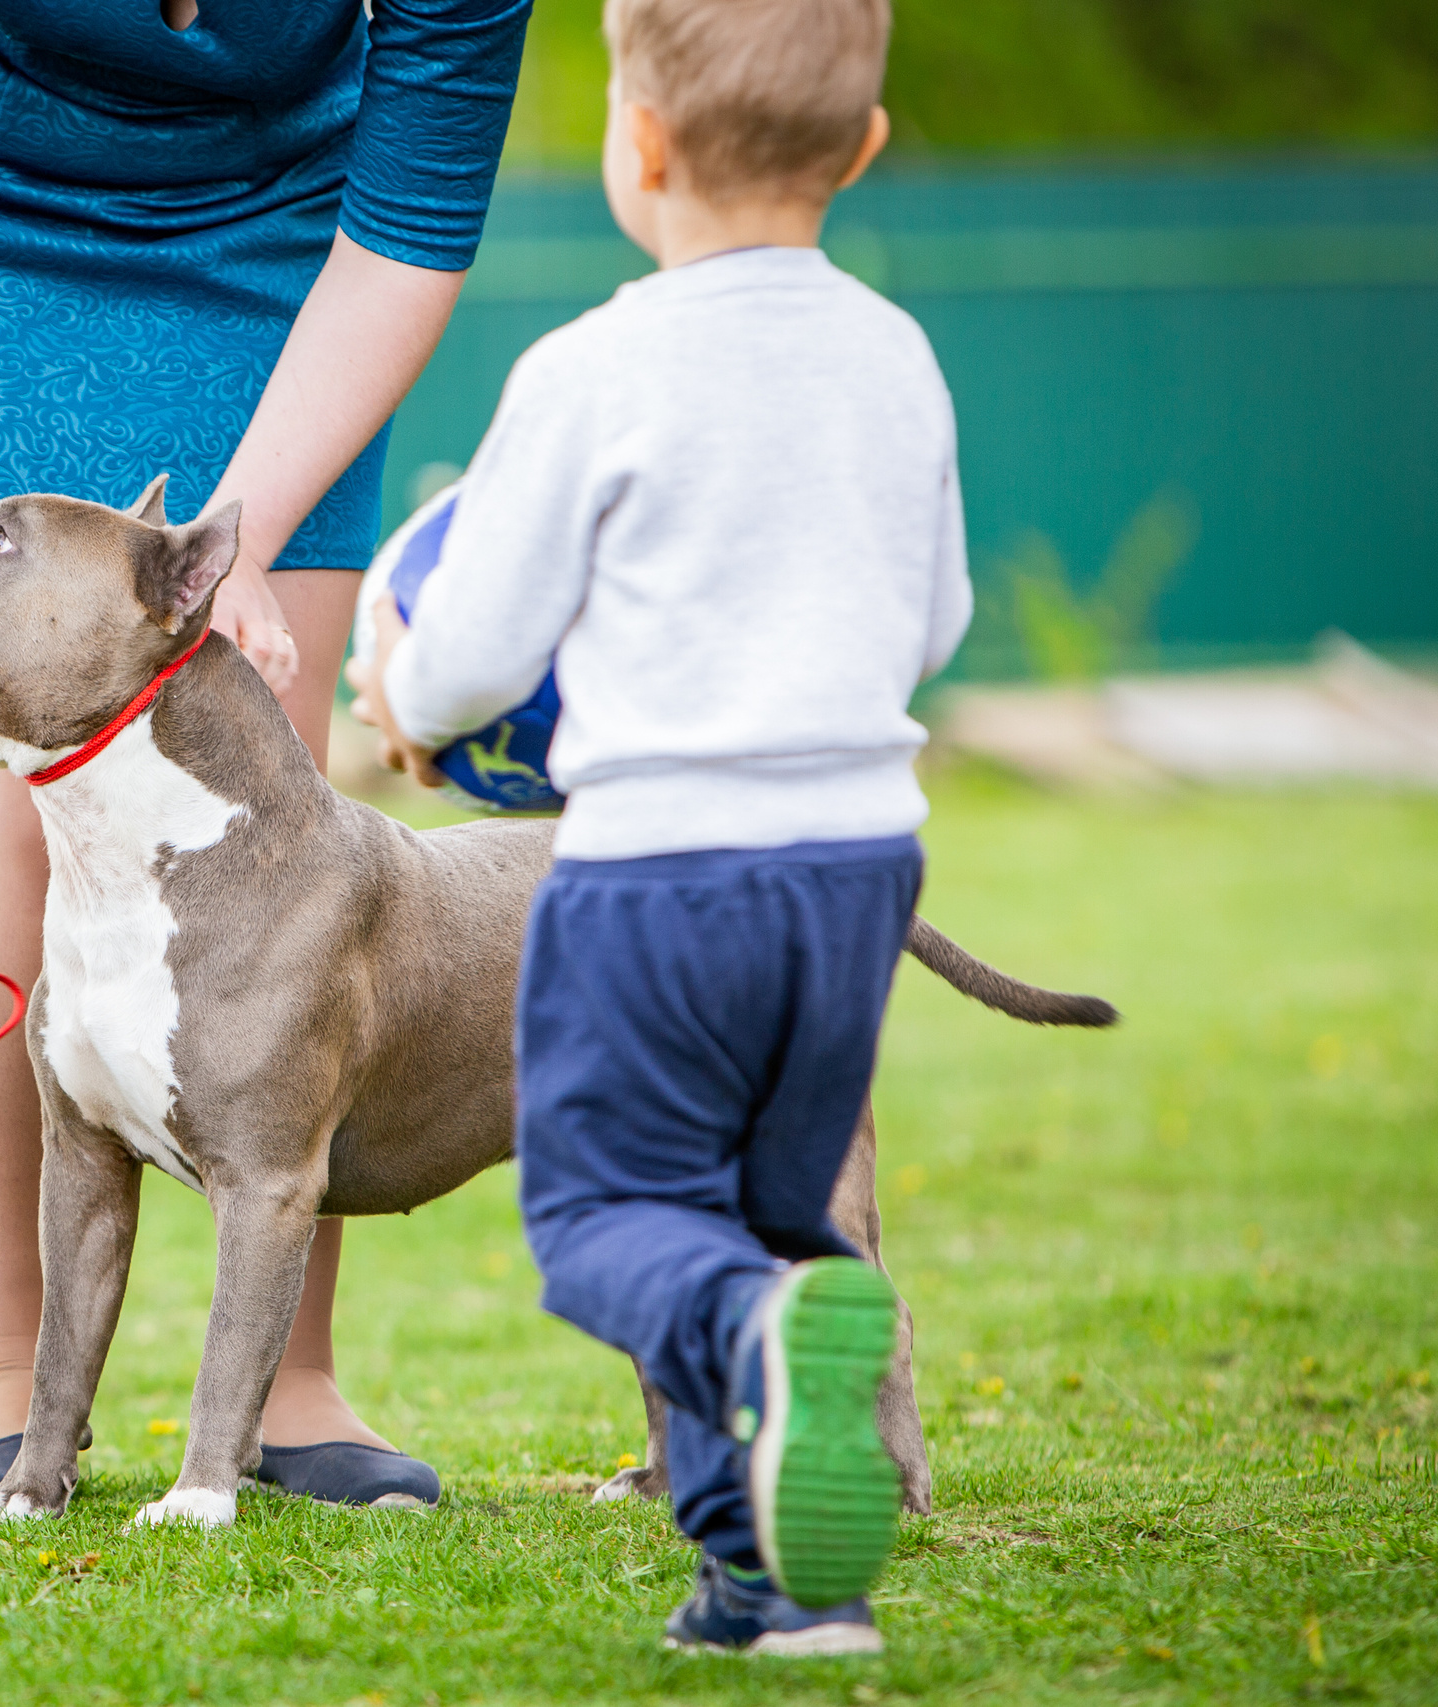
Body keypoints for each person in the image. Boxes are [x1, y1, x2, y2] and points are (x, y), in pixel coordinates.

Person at [0, 0, 532, 1507]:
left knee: (276, 778)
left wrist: (227, 551)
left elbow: (418, 199)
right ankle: (18, 1373)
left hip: (281, 228)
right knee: (39, 784)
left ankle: (290, 1382)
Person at [351, 0, 965, 1655]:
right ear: (863, 147)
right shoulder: (896, 359)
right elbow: (934, 621)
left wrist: (405, 685)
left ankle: (754, 1336)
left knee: (610, 1224)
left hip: (655, 874)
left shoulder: (591, 370)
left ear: (642, 144)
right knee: (778, 1207)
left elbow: (474, 651)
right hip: (857, 872)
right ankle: (776, 1587)